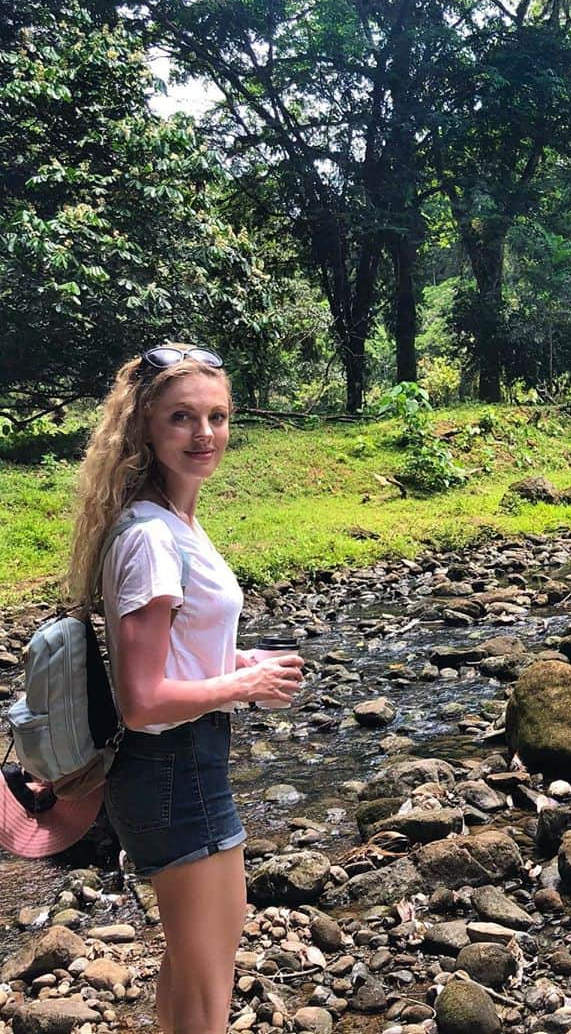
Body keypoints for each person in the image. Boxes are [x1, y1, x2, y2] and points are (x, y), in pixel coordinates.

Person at [65, 344, 304, 1034]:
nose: (205, 435)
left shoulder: (171, 521)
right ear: (144, 427)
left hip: (182, 767)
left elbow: (175, 651)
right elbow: (142, 700)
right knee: (208, 993)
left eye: (218, 417)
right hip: (171, 769)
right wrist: (244, 683)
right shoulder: (151, 538)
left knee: (194, 964)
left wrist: (234, 661)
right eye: (182, 418)